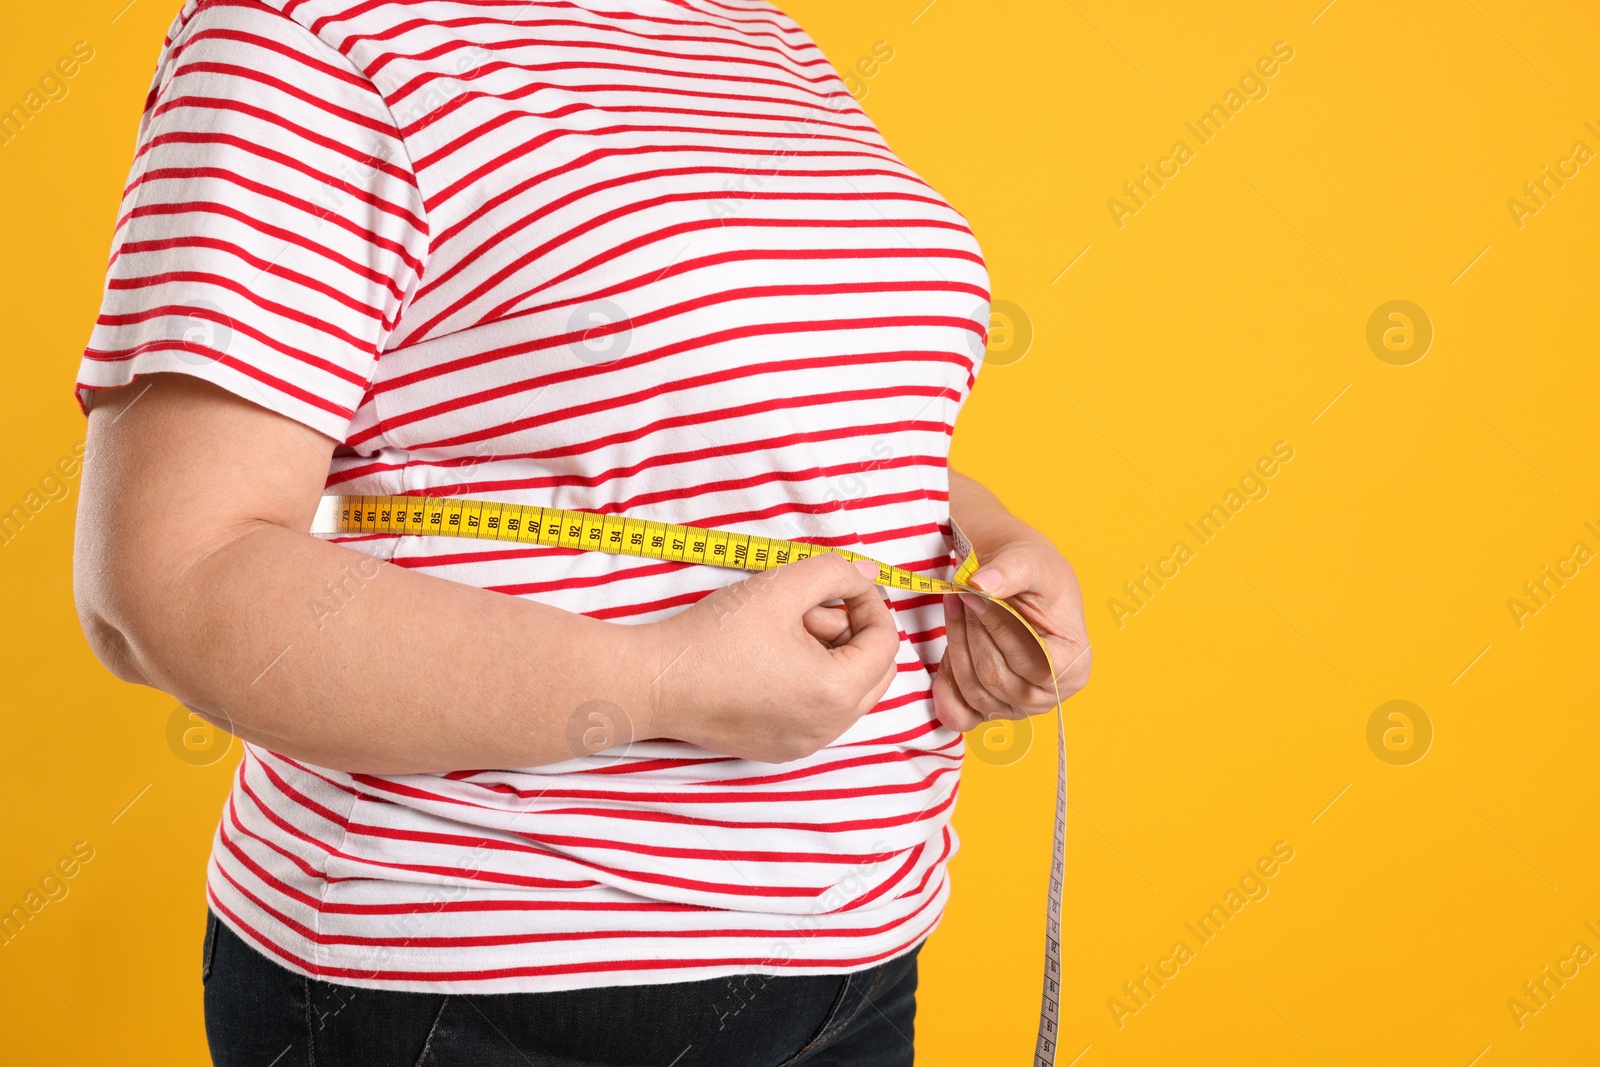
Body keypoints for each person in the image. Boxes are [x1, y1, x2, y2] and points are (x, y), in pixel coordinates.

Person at [71, 1, 1089, 1063]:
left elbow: (723, 426)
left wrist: (986, 535)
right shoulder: (309, 36)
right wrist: (657, 682)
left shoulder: (751, 31)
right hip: (476, 982)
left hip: (857, 941)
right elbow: (168, 584)